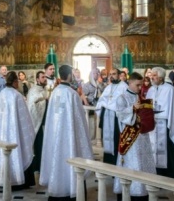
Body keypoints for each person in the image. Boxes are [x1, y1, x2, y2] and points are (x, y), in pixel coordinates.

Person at [40, 65, 93, 201]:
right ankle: (71, 190)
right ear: (69, 75)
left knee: (56, 160)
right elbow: (80, 121)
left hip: (56, 135)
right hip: (69, 137)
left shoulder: (55, 93)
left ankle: (57, 189)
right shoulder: (72, 94)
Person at [0, 71, 36, 190]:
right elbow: (24, 117)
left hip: (2, 130)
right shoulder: (16, 95)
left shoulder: (2, 93)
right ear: (14, 82)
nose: (18, 83)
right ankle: (17, 179)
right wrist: (31, 129)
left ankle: (2, 178)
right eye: (17, 81)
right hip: (15, 131)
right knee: (17, 152)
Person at [113, 72, 156, 200]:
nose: (139, 88)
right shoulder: (122, 98)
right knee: (132, 163)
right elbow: (120, 115)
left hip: (142, 137)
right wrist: (132, 108)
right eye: (137, 85)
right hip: (130, 140)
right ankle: (132, 191)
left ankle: (144, 189)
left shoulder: (140, 97)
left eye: (141, 85)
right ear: (130, 83)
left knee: (142, 163)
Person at [146, 67, 174, 179]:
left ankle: (171, 173)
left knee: (168, 148)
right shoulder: (151, 90)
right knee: (153, 147)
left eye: (154, 75)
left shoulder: (170, 89)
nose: (152, 77)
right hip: (153, 124)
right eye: (152, 75)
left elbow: (172, 109)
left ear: (161, 77)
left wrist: (168, 121)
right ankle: (155, 171)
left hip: (165, 123)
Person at [95, 68, 127, 165]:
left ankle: (117, 164)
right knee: (106, 140)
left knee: (116, 140)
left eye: (114, 74)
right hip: (107, 117)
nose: (111, 76)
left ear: (119, 75)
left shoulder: (124, 87)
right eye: (110, 74)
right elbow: (101, 101)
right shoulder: (108, 87)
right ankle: (108, 164)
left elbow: (126, 104)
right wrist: (103, 109)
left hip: (116, 119)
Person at [27, 70, 48, 173]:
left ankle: (43, 166)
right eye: (42, 77)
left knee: (44, 145)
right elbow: (31, 104)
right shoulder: (34, 90)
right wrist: (44, 98)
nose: (45, 79)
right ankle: (36, 166)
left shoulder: (46, 89)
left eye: (45, 77)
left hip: (45, 121)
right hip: (37, 121)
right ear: (37, 79)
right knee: (38, 145)